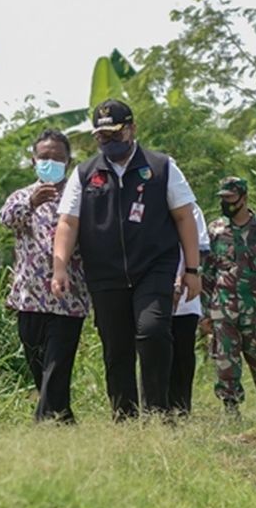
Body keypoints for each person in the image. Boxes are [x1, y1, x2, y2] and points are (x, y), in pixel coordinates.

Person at [50, 99, 201, 419]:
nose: (109, 142)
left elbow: (185, 218)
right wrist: (59, 266)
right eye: (102, 137)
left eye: (115, 134)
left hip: (154, 267)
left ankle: (158, 411)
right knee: (116, 348)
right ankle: (125, 417)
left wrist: (192, 269)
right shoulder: (85, 174)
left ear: (131, 129)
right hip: (105, 274)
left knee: (153, 330)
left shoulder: (162, 167)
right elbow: (68, 222)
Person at [0, 129, 90, 422]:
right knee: (39, 366)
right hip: (29, 298)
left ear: (68, 160)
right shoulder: (22, 196)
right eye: (44, 157)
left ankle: (44, 423)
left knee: (57, 365)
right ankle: (63, 420)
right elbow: (6, 220)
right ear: (34, 160)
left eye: (57, 158)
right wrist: (32, 203)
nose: (50, 162)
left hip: (68, 298)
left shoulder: (80, 197)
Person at [200, 176, 256, 417]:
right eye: (223, 198)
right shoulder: (215, 230)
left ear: (243, 197)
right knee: (225, 360)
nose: (226, 203)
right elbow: (207, 273)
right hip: (223, 307)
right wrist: (204, 313)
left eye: (230, 198)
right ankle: (231, 410)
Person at [169, 201, 211, 416]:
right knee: (155, 351)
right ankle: (157, 407)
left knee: (183, 353)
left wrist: (186, 275)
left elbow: (201, 247)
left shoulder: (192, 208)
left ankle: (181, 408)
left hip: (186, 294)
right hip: (153, 292)